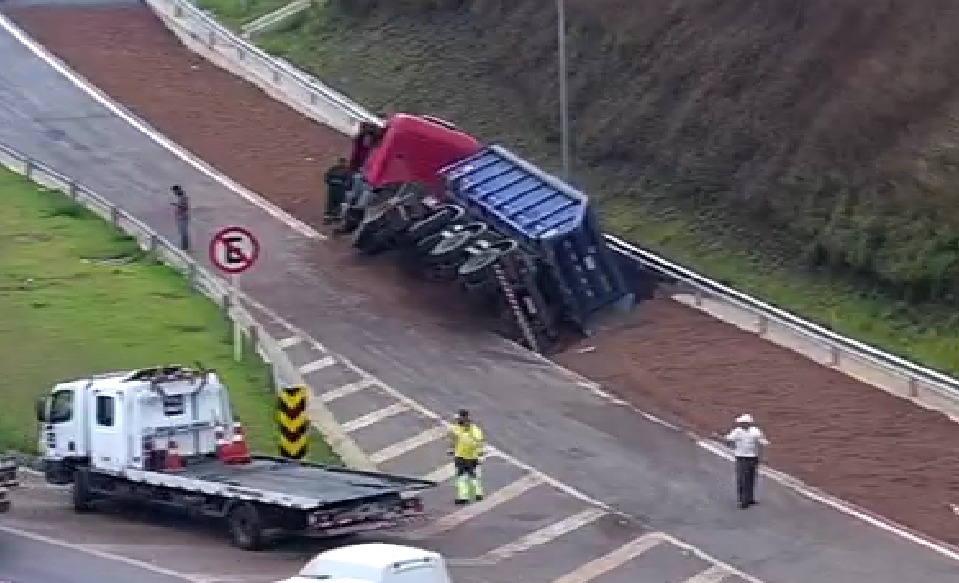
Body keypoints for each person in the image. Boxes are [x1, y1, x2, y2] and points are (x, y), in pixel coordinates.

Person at [723, 413, 769, 509]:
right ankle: (742, 500)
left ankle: (749, 498)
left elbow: (762, 441)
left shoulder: (755, 431)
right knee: (742, 479)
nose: (743, 424)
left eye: (744, 423)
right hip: (741, 457)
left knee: (751, 478)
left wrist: (763, 443)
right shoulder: (737, 431)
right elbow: (729, 439)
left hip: (752, 457)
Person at [448, 409, 484, 505]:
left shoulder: (474, 430)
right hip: (461, 456)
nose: (458, 420)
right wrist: (451, 449)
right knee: (463, 477)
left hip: (470, 456)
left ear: (464, 417)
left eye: (459, 418)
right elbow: (453, 439)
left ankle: (476, 494)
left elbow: (479, 442)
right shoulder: (456, 428)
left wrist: (480, 454)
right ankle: (467, 496)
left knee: (471, 476)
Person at [323, 157, 351, 224]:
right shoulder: (333, 169)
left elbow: (348, 181)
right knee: (331, 202)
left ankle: (336, 216)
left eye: (343, 162)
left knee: (339, 202)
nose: (342, 164)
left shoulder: (347, 171)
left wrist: (344, 185)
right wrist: (330, 182)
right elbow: (326, 177)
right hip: (333, 187)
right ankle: (329, 217)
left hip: (340, 188)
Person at [170, 185, 190, 251]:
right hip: (180, 217)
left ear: (177, 190)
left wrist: (176, 205)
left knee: (184, 232)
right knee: (182, 232)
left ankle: (185, 247)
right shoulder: (180, 197)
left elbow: (185, 207)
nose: (174, 193)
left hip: (183, 217)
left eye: (174, 191)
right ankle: (184, 246)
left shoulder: (183, 197)